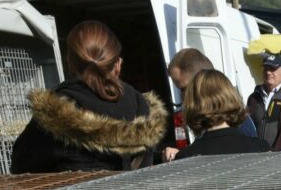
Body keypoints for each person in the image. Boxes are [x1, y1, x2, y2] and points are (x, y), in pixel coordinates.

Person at [10, 20, 166, 173]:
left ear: (69, 62)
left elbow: (21, 166)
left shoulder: (52, 113)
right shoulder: (141, 106)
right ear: (118, 64)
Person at [164, 48, 256, 162]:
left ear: (204, 80)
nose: (182, 97)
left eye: (185, 89)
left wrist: (187, 159)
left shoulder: (239, 123)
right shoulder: (210, 120)